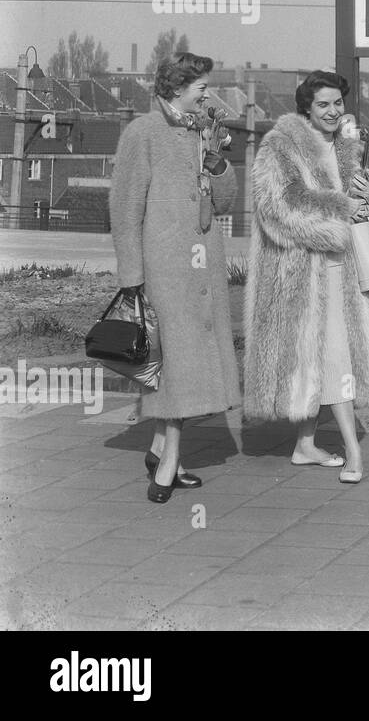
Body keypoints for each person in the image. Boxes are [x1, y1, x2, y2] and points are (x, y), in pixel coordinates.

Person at [108, 51, 242, 503]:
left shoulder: (204, 131)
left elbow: (224, 203)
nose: (209, 93)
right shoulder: (143, 133)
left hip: (203, 264)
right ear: (178, 88)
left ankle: (162, 449)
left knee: (187, 363)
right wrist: (131, 276)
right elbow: (125, 211)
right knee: (179, 365)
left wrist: (219, 162)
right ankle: (168, 463)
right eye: (203, 86)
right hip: (164, 268)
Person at [243, 70, 369, 484]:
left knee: (322, 358)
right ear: (306, 107)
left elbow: (366, 205)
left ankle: (305, 445)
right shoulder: (280, 147)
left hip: (344, 275)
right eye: (323, 104)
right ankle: (353, 451)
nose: (332, 111)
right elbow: (276, 210)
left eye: (338, 103)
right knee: (333, 356)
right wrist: (340, 220)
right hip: (302, 275)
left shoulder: (349, 149)